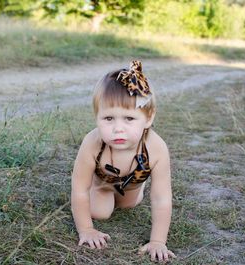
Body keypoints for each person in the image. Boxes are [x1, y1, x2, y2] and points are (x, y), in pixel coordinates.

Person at [71, 60, 176, 262]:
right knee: (100, 212)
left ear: (148, 118)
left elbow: (161, 198)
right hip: (102, 184)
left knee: (129, 204)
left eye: (129, 119)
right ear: (96, 117)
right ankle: (102, 190)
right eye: (108, 118)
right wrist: (86, 229)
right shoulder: (92, 142)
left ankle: (138, 186)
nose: (118, 128)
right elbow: (79, 189)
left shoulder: (156, 148)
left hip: (131, 185)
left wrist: (158, 241)